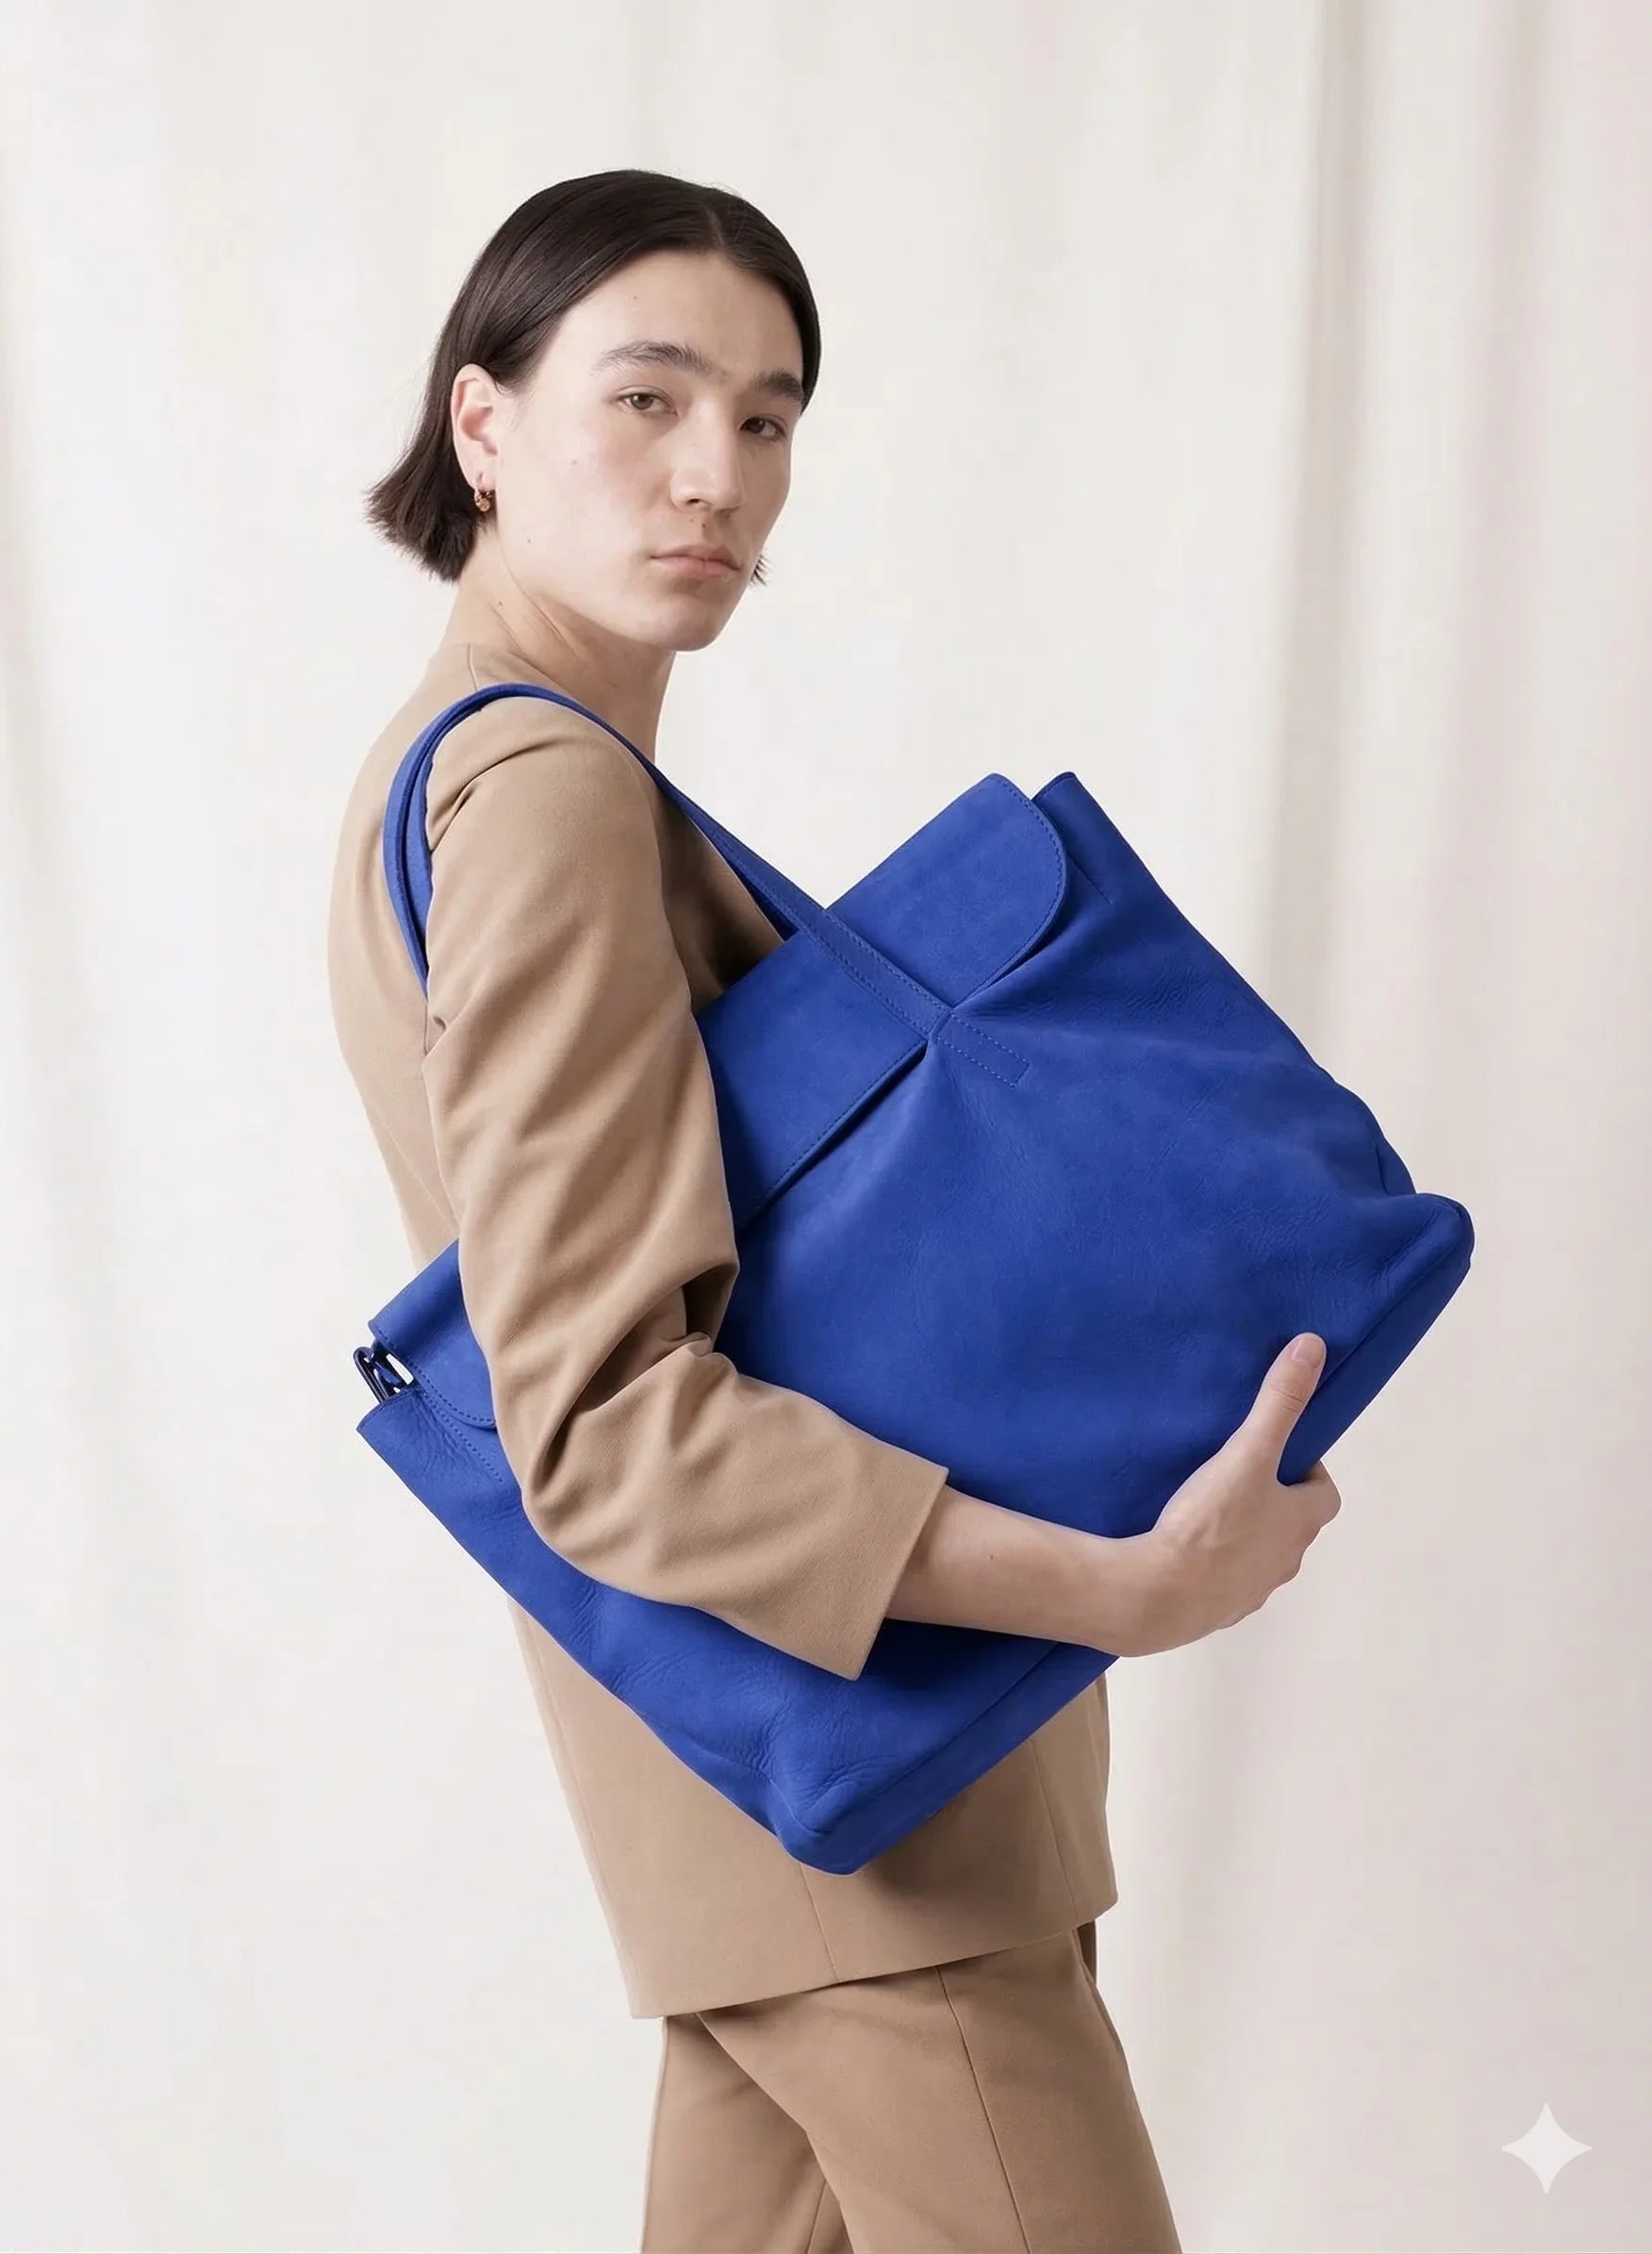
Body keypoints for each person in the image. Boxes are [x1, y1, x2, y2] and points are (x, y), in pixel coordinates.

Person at [326, 167, 1340, 2254]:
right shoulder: (537, 793)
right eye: (649, 397)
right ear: (483, 425)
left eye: (769, 417)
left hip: (813, 1825)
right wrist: (1113, 1584)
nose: (715, 472)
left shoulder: (487, 773)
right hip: (859, 1848)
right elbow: (599, 1418)